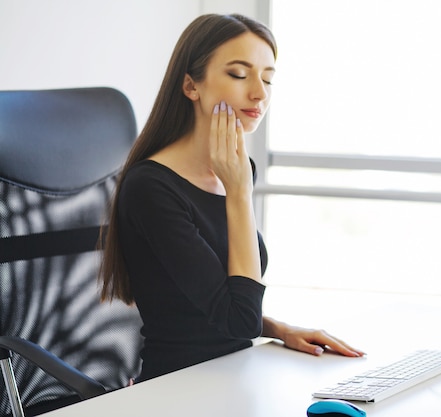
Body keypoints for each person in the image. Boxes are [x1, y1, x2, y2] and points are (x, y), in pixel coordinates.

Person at [98, 13, 364, 382]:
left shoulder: (237, 170)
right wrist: (238, 192)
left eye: (268, 77)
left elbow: (219, 303)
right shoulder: (152, 188)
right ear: (191, 86)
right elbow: (238, 319)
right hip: (177, 388)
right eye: (239, 74)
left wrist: (279, 329)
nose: (259, 92)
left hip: (234, 373)